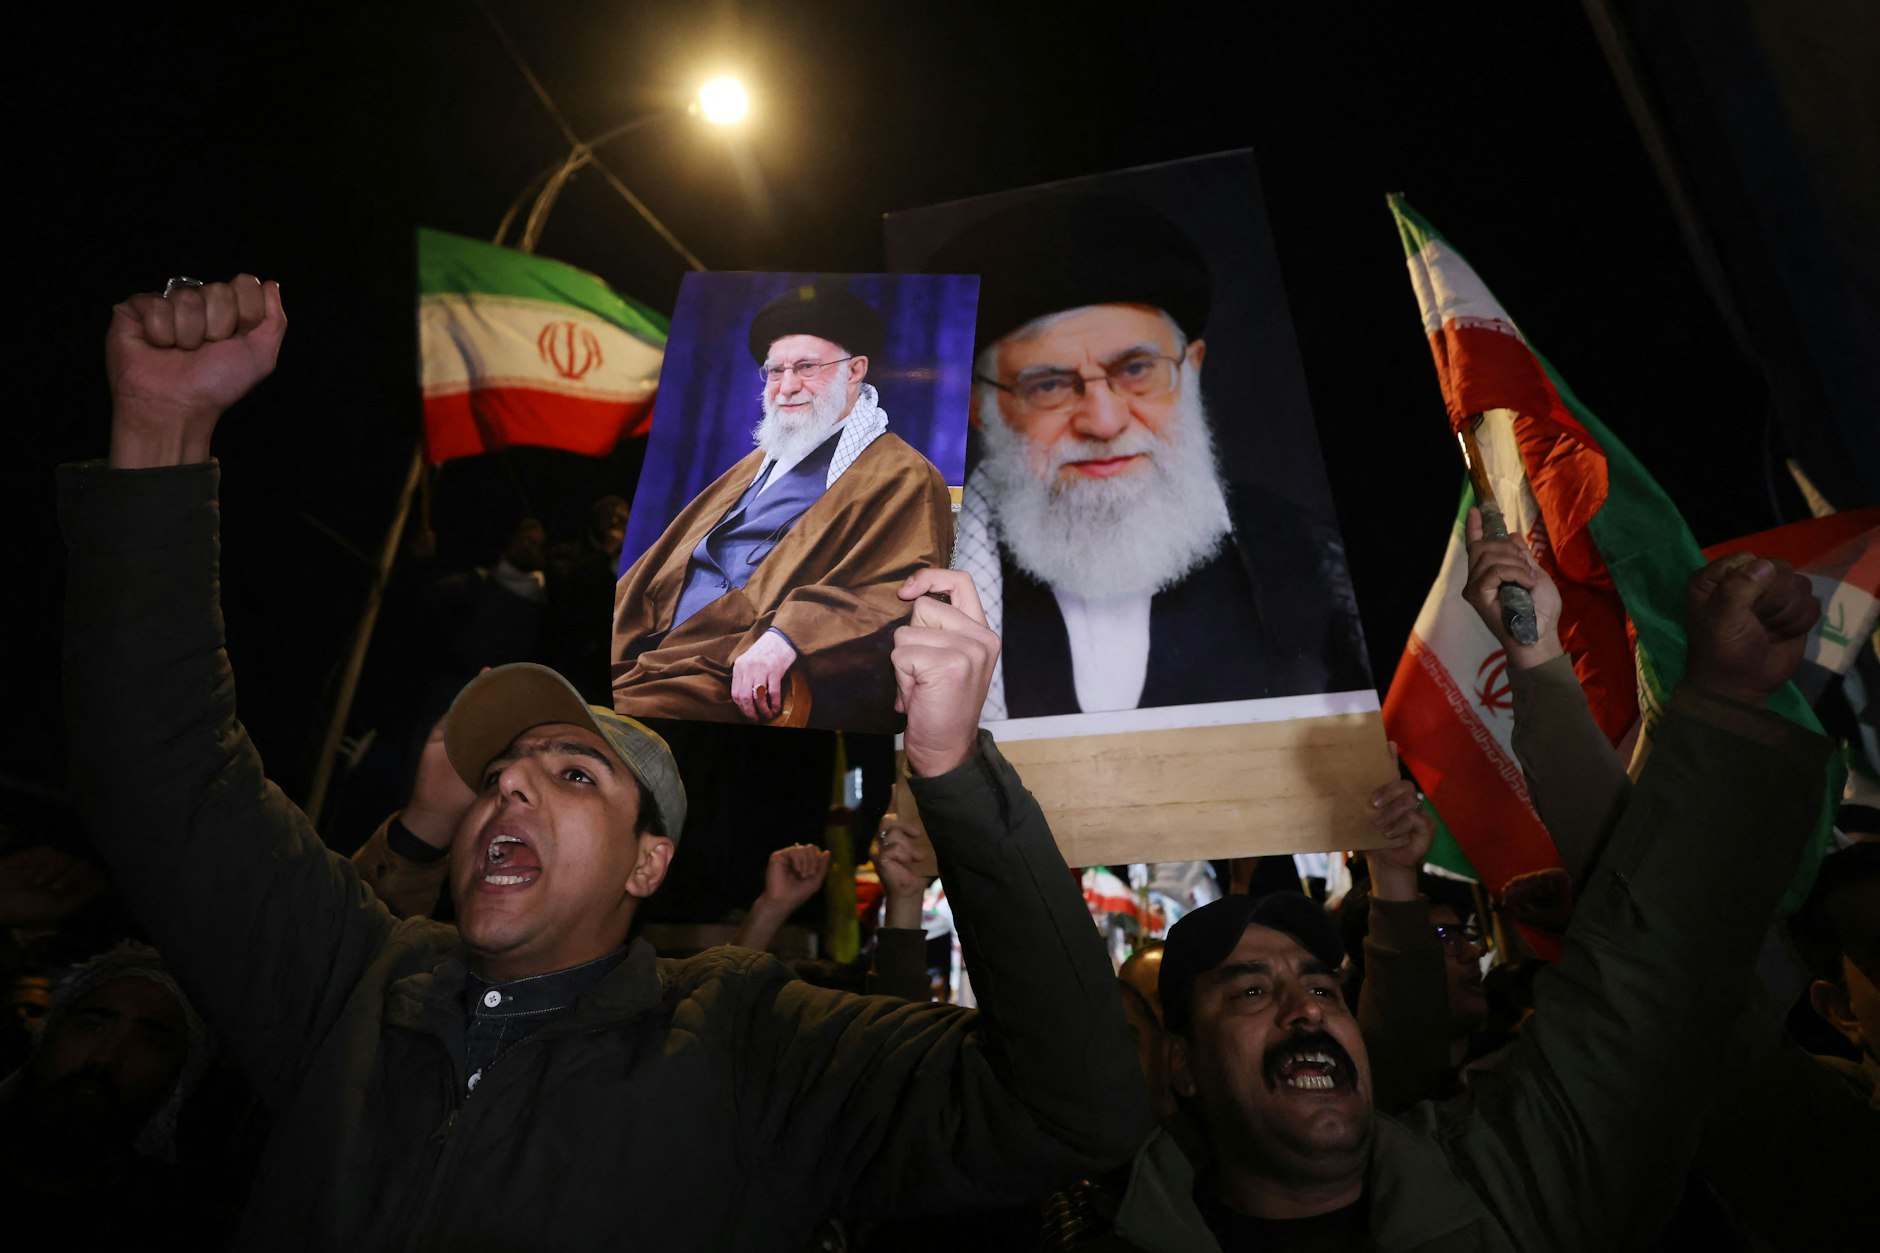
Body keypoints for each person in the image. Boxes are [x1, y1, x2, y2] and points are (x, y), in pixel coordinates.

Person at [62, 274, 1149, 1249]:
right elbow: (164, 770)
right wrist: (159, 431)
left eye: (575, 773)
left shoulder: (756, 1050)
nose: (511, 783)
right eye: (504, 770)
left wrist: (952, 768)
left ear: (647, 861)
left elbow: (1072, 1110)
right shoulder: (353, 986)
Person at [1098, 549, 1838, 1250]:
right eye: (1252, 991)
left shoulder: (1514, 1181)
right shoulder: (1090, 1233)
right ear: (1182, 1065)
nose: (1308, 1011)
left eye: (1321, 985)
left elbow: (1644, 982)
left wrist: (1725, 698)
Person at [923, 197, 1371, 719]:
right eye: (1048, 385)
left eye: (1136, 369)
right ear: (979, 407)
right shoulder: (918, 578)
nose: (1104, 421)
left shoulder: (1309, 556)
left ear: (1191, 368)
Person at [611, 283, 954, 733]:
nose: (787, 387)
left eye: (806, 368)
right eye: (775, 371)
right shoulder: (757, 463)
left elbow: (903, 591)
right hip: (649, 649)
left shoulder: (902, 473)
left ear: (855, 370)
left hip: (729, 667)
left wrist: (788, 636)